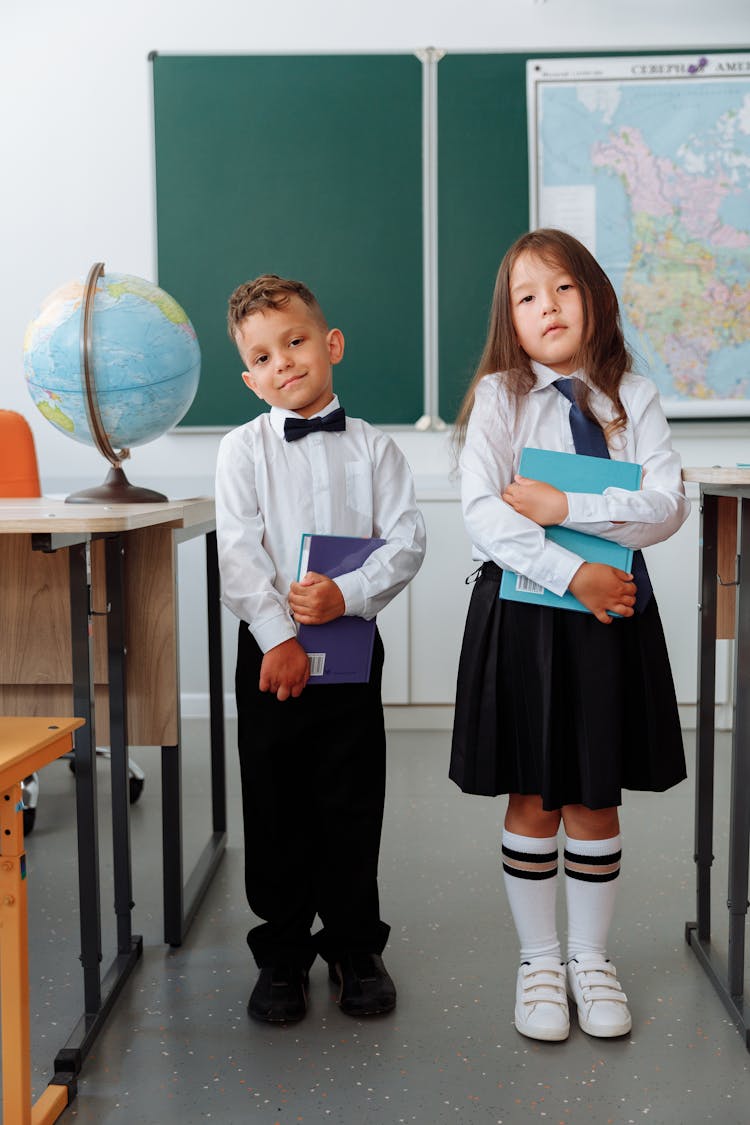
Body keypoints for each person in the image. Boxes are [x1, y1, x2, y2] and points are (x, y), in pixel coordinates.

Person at [449, 229, 690, 1043]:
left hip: (611, 614)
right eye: (526, 296)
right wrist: (567, 569)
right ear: (507, 319)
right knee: (534, 792)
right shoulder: (497, 398)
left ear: (594, 295)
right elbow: (482, 514)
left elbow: (666, 504)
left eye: (561, 288)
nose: (545, 306)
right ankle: (540, 961)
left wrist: (566, 508)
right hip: (525, 614)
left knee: (594, 793)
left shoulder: (635, 396)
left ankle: (592, 957)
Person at [215, 274, 426, 1024]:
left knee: (349, 798)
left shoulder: (376, 448)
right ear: (250, 377)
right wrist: (278, 635)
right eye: (265, 356)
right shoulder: (241, 450)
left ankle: (353, 945)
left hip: (349, 651)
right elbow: (238, 553)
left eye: (296, 342)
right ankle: (280, 952)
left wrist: (348, 594)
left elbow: (407, 540)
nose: (285, 363)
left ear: (329, 344)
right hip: (272, 660)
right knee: (274, 804)